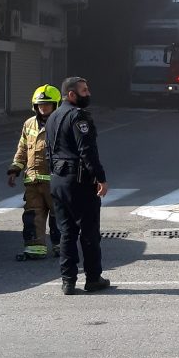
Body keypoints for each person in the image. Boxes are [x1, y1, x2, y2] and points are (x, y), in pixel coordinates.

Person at [45, 76, 111, 295]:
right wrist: (100, 178)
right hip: (79, 181)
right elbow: (87, 151)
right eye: (84, 91)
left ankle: (68, 281)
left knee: (67, 232)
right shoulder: (78, 116)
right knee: (89, 231)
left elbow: (48, 151)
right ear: (71, 94)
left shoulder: (53, 116)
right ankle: (93, 279)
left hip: (57, 179)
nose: (88, 93)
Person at [8, 85, 62, 261]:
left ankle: (62, 247)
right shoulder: (29, 124)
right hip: (32, 181)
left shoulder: (61, 123)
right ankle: (35, 249)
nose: (43, 107)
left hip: (54, 181)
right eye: (40, 104)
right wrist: (15, 169)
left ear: (56, 105)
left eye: (47, 104)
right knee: (32, 216)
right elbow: (22, 148)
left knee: (59, 216)